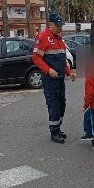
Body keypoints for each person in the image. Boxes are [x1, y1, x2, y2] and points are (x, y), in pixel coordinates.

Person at [32, 13, 76, 143]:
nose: (60, 28)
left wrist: (69, 72)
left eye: (61, 25)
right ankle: (54, 131)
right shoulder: (43, 37)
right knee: (54, 105)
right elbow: (35, 58)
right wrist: (48, 70)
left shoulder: (59, 38)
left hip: (60, 78)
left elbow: (62, 59)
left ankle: (57, 127)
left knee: (62, 103)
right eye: (57, 26)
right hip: (50, 80)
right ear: (50, 25)